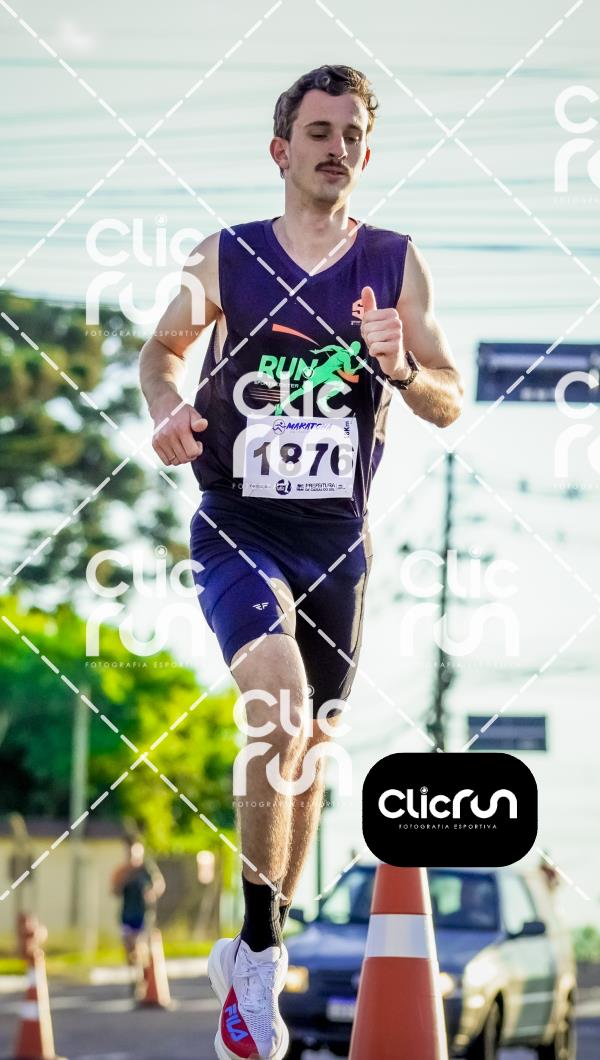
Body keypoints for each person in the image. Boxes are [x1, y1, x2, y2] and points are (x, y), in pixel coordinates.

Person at [139, 63, 463, 1060]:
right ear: (282, 150)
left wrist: (399, 364)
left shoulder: (396, 264)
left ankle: (252, 943)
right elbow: (160, 353)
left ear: (368, 151)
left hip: (337, 543)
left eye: (352, 134)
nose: (337, 148)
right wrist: (169, 410)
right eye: (319, 132)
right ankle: (262, 949)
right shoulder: (225, 255)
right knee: (275, 705)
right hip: (239, 522)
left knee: (311, 748)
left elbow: (449, 398)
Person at [111, 838, 166, 998]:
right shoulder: (123, 871)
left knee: (138, 945)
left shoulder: (147, 869)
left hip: (143, 915)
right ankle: (135, 977)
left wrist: (151, 892)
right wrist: (123, 881)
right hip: (126, 915)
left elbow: (159, 885)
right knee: (129, 949)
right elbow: (114, 891)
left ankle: (142, 976)